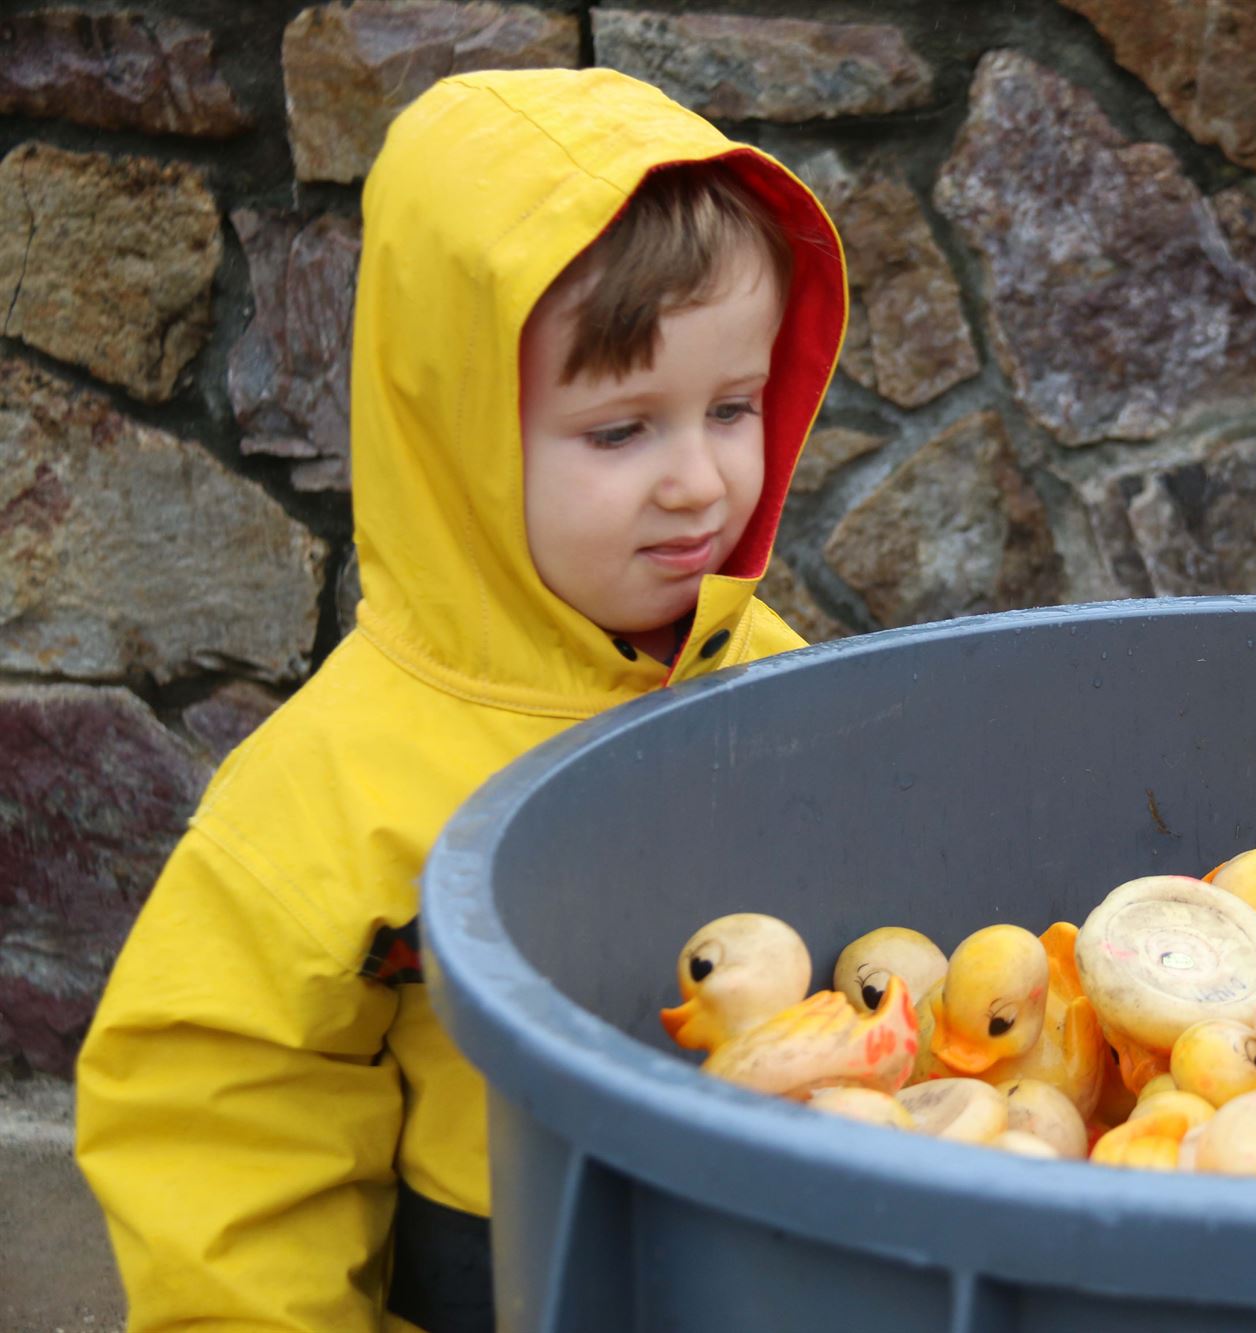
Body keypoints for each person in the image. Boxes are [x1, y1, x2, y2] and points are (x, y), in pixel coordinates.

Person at [73, 67, 847, 1332]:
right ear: (459, 434)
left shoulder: (778, 674)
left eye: (732, 408)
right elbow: (217, 1114)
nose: (699, 482)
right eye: (621, 430)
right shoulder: (332, 790)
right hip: (508, 1282)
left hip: (768, 1265)